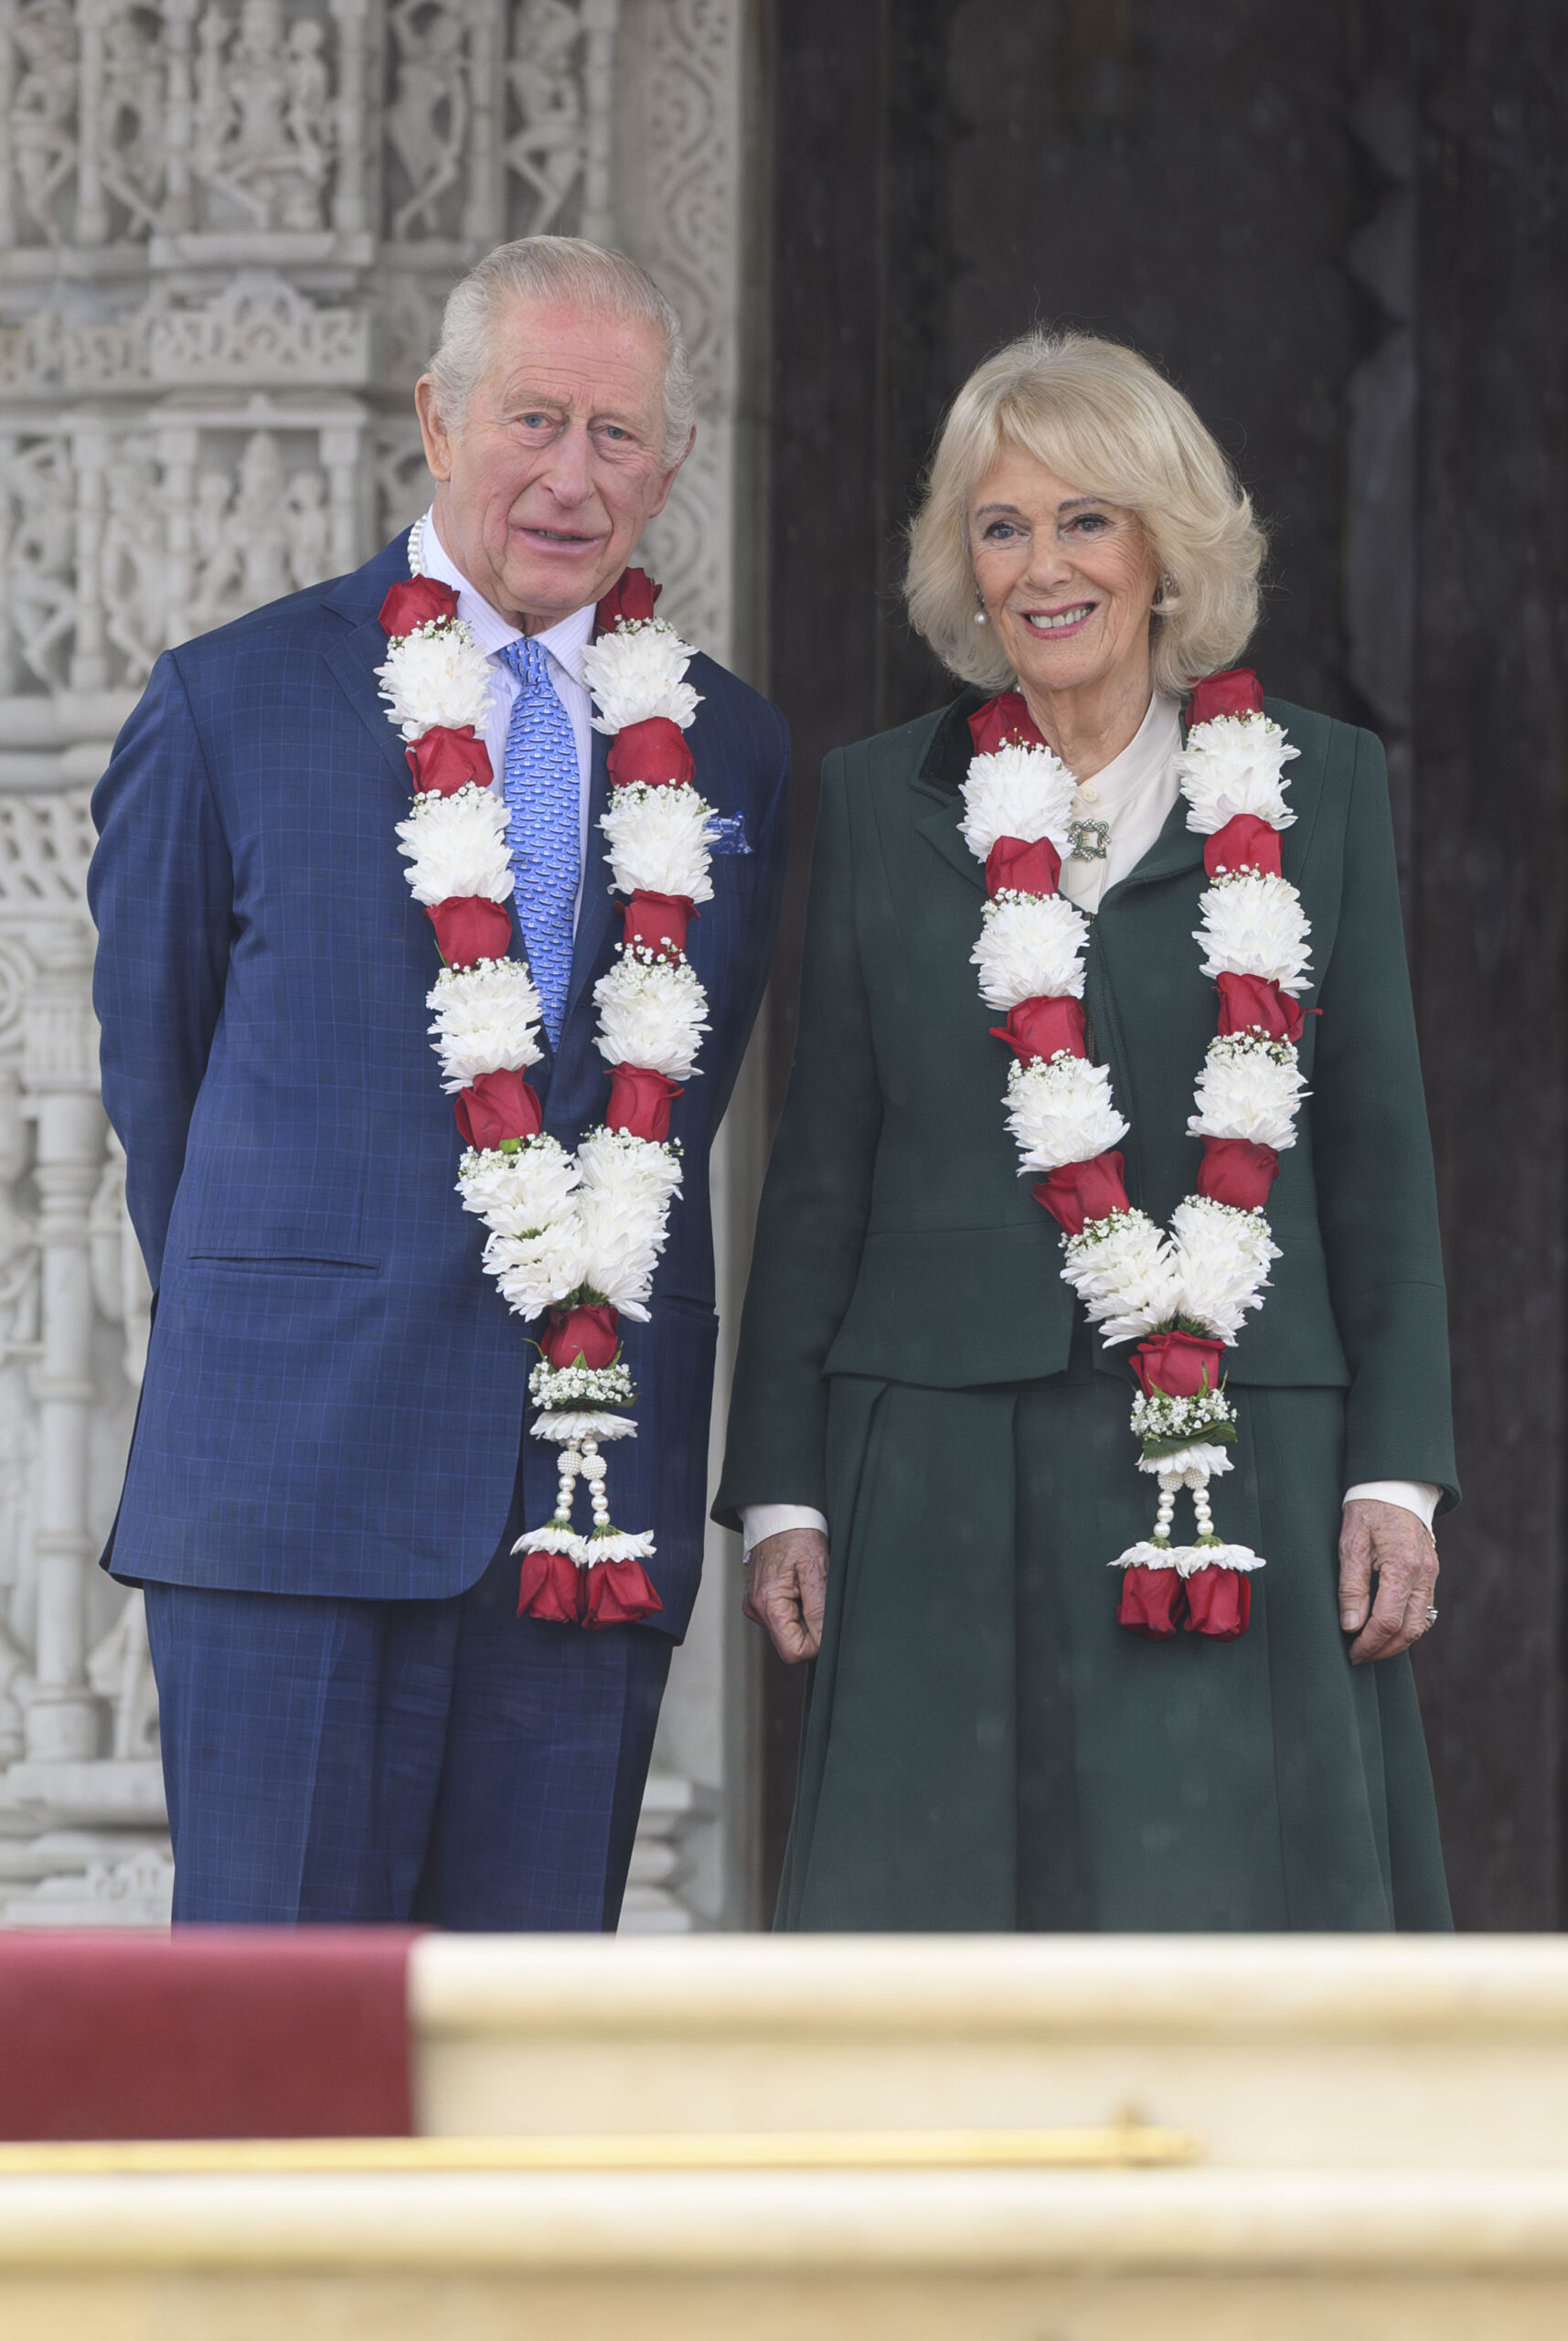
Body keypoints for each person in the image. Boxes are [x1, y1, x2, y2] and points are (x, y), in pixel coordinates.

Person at [90, 236, 789, 1928]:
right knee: (282, 2085)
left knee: (515, 2092)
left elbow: (683, 1101)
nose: (572, 475)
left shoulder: (730, 745)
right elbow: (155, 1081)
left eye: (619, 434)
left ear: (673, 465)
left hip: (579, 1494)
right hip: (294, 1491)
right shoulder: (233, 701)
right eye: (534, 418)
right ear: (437, 419)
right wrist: (317, 1311)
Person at [716, 330, 1455, 1932]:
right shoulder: (878, 798)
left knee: (1227, 1926)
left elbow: (1376, 1152)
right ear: (962, 566)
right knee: (948, 1937)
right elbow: (821, 1165)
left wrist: (1400, 1471)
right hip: (938, 1467)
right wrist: (781, 1484)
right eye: (1001, 527)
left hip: (1240, 1452)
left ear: (1165, 549)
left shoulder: (1319, 790)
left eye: (1085, 521)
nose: (1042, 568)